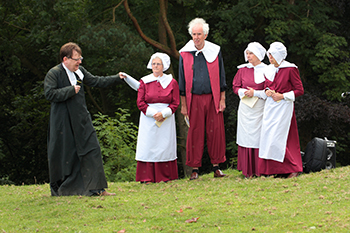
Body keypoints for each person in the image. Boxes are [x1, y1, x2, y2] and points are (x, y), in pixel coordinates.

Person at [44, 42, 124, 196]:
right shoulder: (54, 73)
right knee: (67, 156)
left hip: (81, 119)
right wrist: (70, 90)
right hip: (63, 123)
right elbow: (50, 94)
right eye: (76, 59)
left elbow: (96, 81)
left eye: (80, 59)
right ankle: (66, 189)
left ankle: (98, 189)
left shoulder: (79, 71)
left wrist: (117, 78)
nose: (79, 62)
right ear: (65, 59)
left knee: (93, 150)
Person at [178, 18, 227, 180]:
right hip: (194, 100)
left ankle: (217, 166)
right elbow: (182, 81)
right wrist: (183, 105)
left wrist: (222, 99)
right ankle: (195, 169)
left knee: (216, 132)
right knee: (195, 133)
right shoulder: (185, 54)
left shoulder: (215, 51)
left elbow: (221, 77)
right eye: (194, 34)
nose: (196, 37)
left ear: (205, 35)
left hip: (213, 98)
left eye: (199, 34)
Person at [121, 52, 180, 183]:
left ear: (164, 65)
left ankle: (165, 176)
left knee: (165, 145)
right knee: (148, 145)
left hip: (166, 119)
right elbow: (140, 102)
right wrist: (154, 113)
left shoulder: (172, 82)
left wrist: (164, 113)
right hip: (148, 118)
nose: (155, 66)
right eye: (153, 63)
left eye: (158, 64)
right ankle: (147, 177)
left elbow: (175, 102)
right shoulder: (144, 81)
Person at [258, 42, 304, 178]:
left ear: (278, 55)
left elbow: (299, 90)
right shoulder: (269, 69)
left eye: (271, 55)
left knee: (279, 138)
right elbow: (267, 85)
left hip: (284, 107)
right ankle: (274, 170)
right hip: (270, 107)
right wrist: (267, 91)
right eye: (269, 55)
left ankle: (293, 168)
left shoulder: (290, 69)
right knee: (268, 138)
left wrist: (283, 96)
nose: (269, 57)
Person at [232, 42, 267, 178]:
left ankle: (260, 168)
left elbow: (269, 89)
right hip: (246, 108)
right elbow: (235, 86)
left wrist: (256, 93)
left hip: (260, 108)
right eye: (247, 53)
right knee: (246, 136)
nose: (248, 56)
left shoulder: (267, 70)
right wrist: (243, 91)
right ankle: (248, 170)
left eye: (251, 53)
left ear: (258, 54)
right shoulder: (242, 70)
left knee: (259, 136)